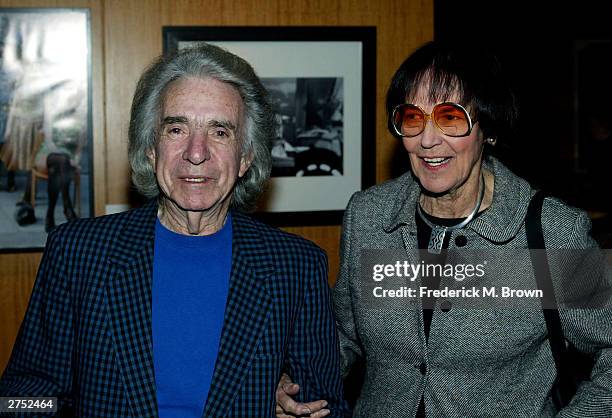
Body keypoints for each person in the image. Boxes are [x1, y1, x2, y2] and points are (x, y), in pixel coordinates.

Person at [0, 43, 349, 417]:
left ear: (246, 157)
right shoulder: (79, 252)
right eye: (177, 129)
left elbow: (327, 406)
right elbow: (21, 397)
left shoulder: (295, 266)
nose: (195, 153)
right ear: (151, 148)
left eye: (220, 132)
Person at [276, 41, 612, 417]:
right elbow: (343, 336)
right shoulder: (369, 217)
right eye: (413, 118)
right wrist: (293, 382)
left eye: (450, 118)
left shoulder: (553, 232)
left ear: (489, 129)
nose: (427, 140)